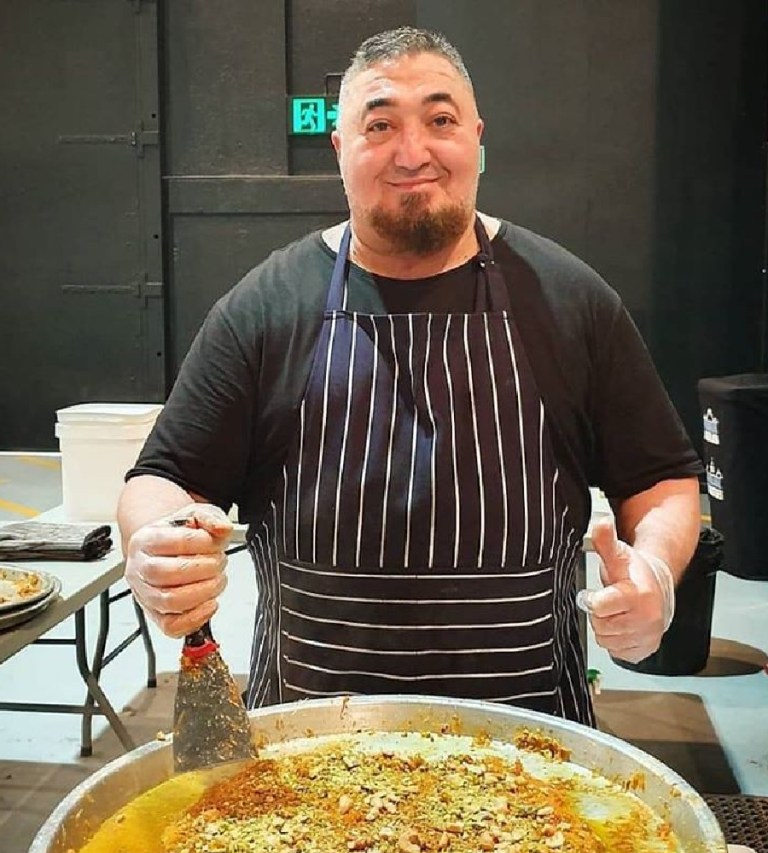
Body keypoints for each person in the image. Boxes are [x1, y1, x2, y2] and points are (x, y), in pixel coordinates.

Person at [118, 26, 702, 726]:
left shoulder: (569, 300)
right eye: (381, 124)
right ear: (341, 150)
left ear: (476, 136)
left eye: (441, 120)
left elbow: (661, 480)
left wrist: (657, 574)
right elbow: (163, 476)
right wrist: (154, 544)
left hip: (534, 762)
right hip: (310, 757)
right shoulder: (267, 307)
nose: (413, 152)